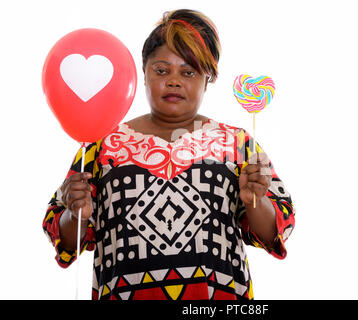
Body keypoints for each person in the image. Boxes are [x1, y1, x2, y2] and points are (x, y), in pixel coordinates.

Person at [43, 9, 295, 300]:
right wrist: (76, 215)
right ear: (144, 73)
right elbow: (63, 239)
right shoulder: (101, 145)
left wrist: (256, 199)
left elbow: (273, 234)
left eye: (188, 72)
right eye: (162, 70)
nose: (174, 81)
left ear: (207, 78)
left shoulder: (237, 143)